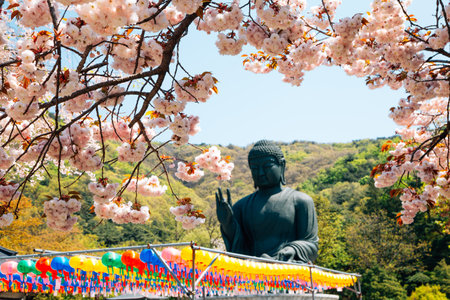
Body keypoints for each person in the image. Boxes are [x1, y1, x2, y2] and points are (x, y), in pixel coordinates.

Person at [215, 140, 319, 263]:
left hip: (288, 267)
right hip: (253, 270)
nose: (260, 173)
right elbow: (237, 250)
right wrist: (228, 224)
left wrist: (292, 250)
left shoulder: (300, 201)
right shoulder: (241, 207)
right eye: (254, 168)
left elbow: (312, 245)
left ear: (282, 165)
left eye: (267, 166)